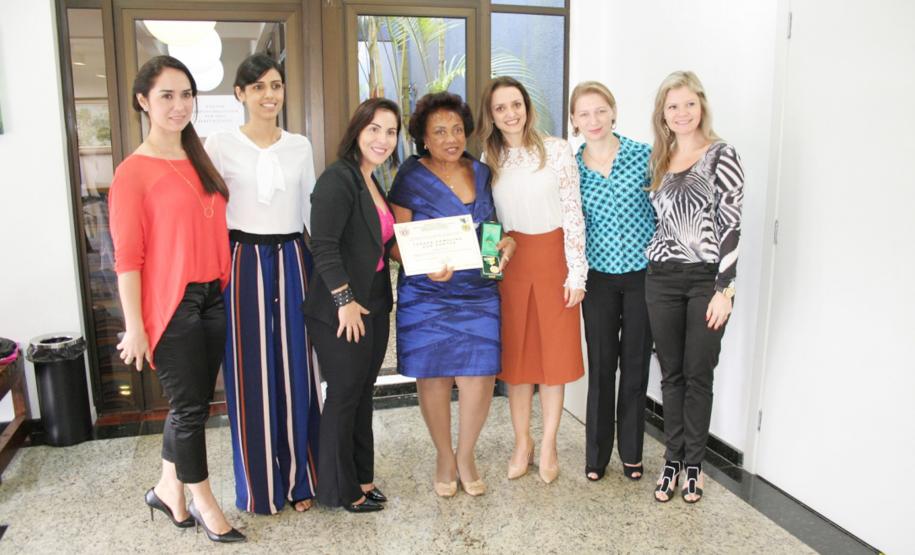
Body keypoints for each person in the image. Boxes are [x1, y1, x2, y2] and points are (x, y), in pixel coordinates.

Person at [109, 55, 244, 542]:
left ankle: (168, 488)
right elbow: (128, 258)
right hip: (171, 304)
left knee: (191, 403)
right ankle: (204, 501)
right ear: (143, 101)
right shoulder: (132, 172)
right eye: (167, 95)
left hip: (212, 295)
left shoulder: (199, 157)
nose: (179, 105)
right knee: (190, 409)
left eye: (187, 95)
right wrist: (136, 326)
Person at [203, 54, 320, 515]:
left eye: (275, 85)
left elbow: (311, 210)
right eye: (257, 87)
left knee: (297, 368)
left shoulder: (300, 145)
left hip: (293, 257)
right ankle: (260, 488)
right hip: (243, 259)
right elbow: (209, 213)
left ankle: (301, 480)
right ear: (240, 94)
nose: (269, 95)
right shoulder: (219, 144)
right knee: (250, 371)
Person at [387, 92, 516, 498]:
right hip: (428, 292)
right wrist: (421, 264)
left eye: (457, 129)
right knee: (436, 375)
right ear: (423, 137)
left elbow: (490, 228)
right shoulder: (408, 177)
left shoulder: (480, 172)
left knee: (480, 374)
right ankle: (444, 456)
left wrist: (505, 246)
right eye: (439, 131)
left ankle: (466, 454)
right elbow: (393, 243)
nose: (450, 138)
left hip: (478, 290)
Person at [478, 76, 587, 484]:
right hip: (512, 263)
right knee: (519, 363)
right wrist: (491, 269)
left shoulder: (558, 150)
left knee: (554, 362)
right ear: (491, 116)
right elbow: (486, 218)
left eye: (515, 104)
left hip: (554, 259)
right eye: (501, 107)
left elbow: (574, 213)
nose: (510, 113)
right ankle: (522, 442)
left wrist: (578, 272)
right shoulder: (488, 159)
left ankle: (550, 444)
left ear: (527, 106)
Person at [645, 71, 744, 503]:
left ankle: (694, 466)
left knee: (699, 374)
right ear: (663, 115)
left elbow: (731, 223)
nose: (682, 113)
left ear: (701, 106)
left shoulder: (721, 154)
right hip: (661, 279)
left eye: (689, 103)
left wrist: (726, 290)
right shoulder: (659, 161)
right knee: (671, 375)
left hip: (707, 280)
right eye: (673, 106)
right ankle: (672, 460)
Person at [301, 97, 400, 513]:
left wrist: (429, 262)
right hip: (341, 309)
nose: (383, 139)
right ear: (357, 130)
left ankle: (362, 476)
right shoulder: (337, 179)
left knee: (362, 393)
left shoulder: (373, 179)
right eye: (374, 128)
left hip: (375, 302)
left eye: (391, 131)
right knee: (343, 395)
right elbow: (323, 246)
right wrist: (344, 300)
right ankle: (339, 490)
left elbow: (384, 242)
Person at [569, 81, 655, 482]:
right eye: (584, 113)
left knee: (635, 367)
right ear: (574, 121)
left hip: (642, 278)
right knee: (602, 367)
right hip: (598, 280)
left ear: (613, 112)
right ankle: (597, 455)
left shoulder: (643, 156)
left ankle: (633, 453)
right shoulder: (571, 170)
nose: (594, 120)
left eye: (600, 111)